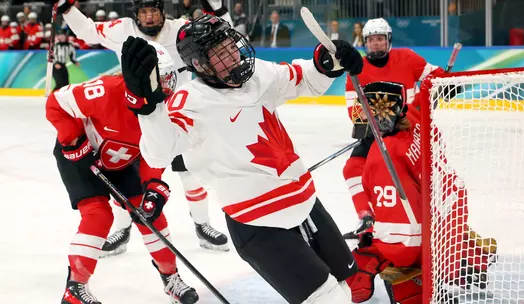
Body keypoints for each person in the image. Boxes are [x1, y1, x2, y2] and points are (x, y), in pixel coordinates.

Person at [120, 14, 363, 303]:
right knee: (327, 299)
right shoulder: (190, 102)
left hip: (306, 204)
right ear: (200, 64)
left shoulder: (259, 74)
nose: (233, 56)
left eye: (231, 45)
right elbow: (158, 152)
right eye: (220, 53)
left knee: (347, 287)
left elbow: (303, 80)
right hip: (259, 223)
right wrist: (148, 110)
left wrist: (327, 62)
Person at [53, 0, 232, 254]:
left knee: (190, 173)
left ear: (163, 12)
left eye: (154, 12)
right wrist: (68, 9)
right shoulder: (121, 29)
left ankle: (203, 225)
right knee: (128, 178)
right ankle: (123, 230)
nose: (149, 18)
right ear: (136, 15)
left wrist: (219, 12)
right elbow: (88, 31)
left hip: (179, 114)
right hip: (137, 118)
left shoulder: (181, 29)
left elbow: (220, 39)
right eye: (144, 12)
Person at [46, 41, 199, 304]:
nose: (163, 89)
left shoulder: (166, 109)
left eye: (167, 80)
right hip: (81, 156)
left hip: (124, 161)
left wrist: (153, 185)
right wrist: (73, 141)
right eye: (156, 81)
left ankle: (170, 277)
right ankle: (74, 289)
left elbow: (155, 153)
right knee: (98, 214)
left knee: (150, 214)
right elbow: (55, 103)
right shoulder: (104, 91)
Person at [343, 82, 497, 303]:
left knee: (374, 258)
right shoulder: (414, 120)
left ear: (379, 114)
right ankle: (469, 255)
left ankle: (427, 281)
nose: (358, 113)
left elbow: (405, 236)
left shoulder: (383, 159)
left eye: (365, 107)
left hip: (429, 242)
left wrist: (373, 248)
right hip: (451, 214)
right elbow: (416, 105)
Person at [342, 17, 445, 225]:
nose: (375, 43)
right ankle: (366, 216)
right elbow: (353, 110)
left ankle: (433, 216)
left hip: (410, 131)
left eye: (380, 38)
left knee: (414, 174)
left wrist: (446, 84)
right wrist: (370, 125)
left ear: (388, 40)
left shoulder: (407, 57)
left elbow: (436, 75)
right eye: (371, 39)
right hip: (378, 134)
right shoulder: (356, 69)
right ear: (364, 42)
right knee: (352, 168)